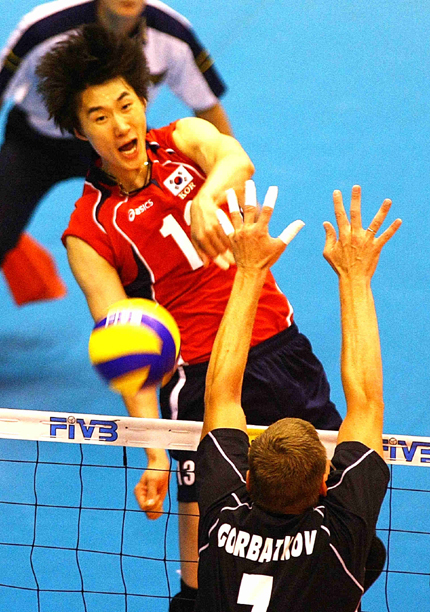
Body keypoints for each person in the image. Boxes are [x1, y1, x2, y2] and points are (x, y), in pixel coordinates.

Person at [36, 24, 342, 610]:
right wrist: (154, 450)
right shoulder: (88, 233)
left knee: (330, 511)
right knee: (204, 572)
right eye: (99, 116)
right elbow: (126, 353)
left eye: (126, 104)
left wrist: (206, 197)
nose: (120, 124)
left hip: (280, 350)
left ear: (142, 100)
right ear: (79, 131)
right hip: (199, 383)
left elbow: (236, 159)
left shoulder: (185, 138)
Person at [196, 184, 402, 611]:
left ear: (247, 481)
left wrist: (248, 269)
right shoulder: (340, 537)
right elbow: (366, 398)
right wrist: (355, 277)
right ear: (326, 486)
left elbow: (218, 394)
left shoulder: (221, 521)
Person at [0, 0, 231, 305]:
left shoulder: (172, 33)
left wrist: (226, 194)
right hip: (36, 145)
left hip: (119, 142)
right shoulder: (43, 29)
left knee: (157, 227)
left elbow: (208, 107)